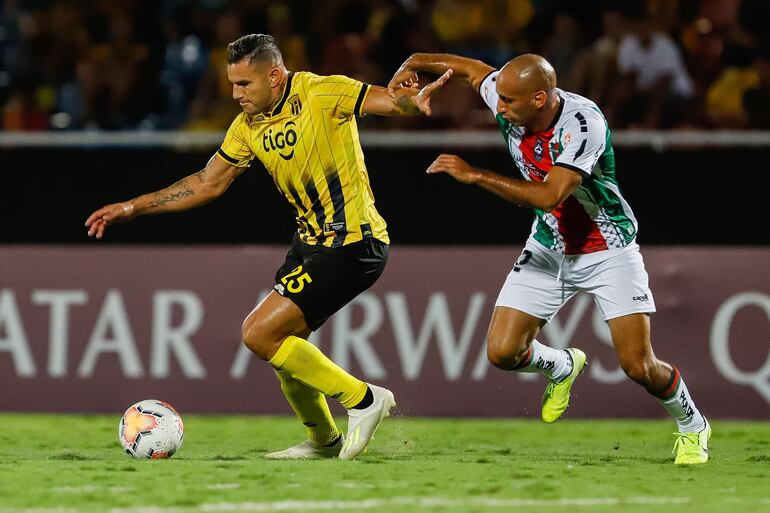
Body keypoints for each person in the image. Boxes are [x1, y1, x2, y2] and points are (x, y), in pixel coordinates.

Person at [85, 34, 451, 461]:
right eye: (232, 84)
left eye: (245, 84)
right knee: (285, 350)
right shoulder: (248, 126)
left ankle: (365, 400)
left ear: (275, 76)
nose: (236, 94)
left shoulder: (321, 90)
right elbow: (208, 182)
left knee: (258, 333)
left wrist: (409, 102)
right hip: (310, 244)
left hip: (354, 242)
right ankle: (324, 441)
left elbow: (390, 102)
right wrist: (134, 207)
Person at [388, 53, 710, 464]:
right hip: (548, 244)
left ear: (540, 98)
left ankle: (693, 424)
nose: (498, 108)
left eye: (508, 101)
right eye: (498, 97)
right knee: (502, 352)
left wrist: (475, 175)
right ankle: (560, 365)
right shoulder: (512, 96)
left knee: (637, 365)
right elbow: (471, 70)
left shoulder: (583, 124)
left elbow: (548, 195)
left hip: (607, 250)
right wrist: (415, 61)